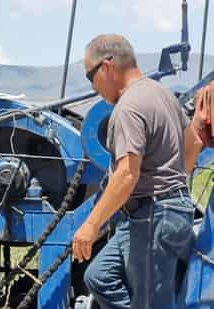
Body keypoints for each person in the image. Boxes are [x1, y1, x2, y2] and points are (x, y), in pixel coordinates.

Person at [72, 34, 214, 309]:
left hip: (153, 217)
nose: (93, 86)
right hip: (159, 212)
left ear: (107, 67)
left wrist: (90, 226)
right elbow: (191, 143)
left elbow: (126, 174)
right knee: (99, 277)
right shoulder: (161, 93)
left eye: (91, 77)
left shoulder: (128, 107)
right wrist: (173, 191)